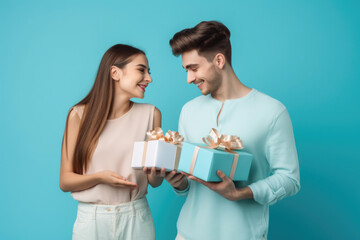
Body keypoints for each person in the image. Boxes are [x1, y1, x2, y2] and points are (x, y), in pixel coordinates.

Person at [165, 21, 301, 240]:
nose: (189, 79)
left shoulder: (272, 111)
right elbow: (189, 186)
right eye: (186, 70)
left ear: (219, 60)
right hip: (187, 235)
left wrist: (241, 193)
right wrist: (179, 183)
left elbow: (290, 178)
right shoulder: (188, 111)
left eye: (194, 68)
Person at [59, 44, 165, 240]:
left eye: (148, 72)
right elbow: (66, 182)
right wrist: (100, 177)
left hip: (137, 218)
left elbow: (154, 182)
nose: (149, 78)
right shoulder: (78, 115)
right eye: (141, 70)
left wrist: (160, 171)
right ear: (115, 73)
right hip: (92, 221)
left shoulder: (151, 114)